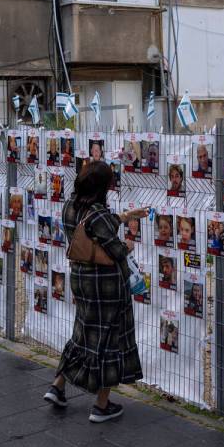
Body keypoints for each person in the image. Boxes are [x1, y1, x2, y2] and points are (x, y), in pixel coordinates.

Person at [44, 160, 149, 423]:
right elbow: (114, 249)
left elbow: (90, 228)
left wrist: (125, 216)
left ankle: (57, 386)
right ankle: (102, 406)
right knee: (109, 339)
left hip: (81, 278)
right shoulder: (99, 213)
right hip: (106, 285)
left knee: (82, 333)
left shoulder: (71, 205)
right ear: (102, 187)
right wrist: (128, 246)